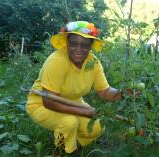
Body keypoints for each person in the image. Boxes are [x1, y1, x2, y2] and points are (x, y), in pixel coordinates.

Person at [26, 21, 126, 154]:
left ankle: (72, 144)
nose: (79, 49)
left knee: (97, 126)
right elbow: (49, 101)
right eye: (73, 43)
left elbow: (105, 92)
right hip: (41, 104)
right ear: (67, 43)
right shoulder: (57, 60)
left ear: (91, 46)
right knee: (69, 122)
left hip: (73, 102)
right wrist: (85, 112)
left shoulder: (93, 62)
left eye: (85, 45)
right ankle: (60, 150)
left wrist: (124, 93)